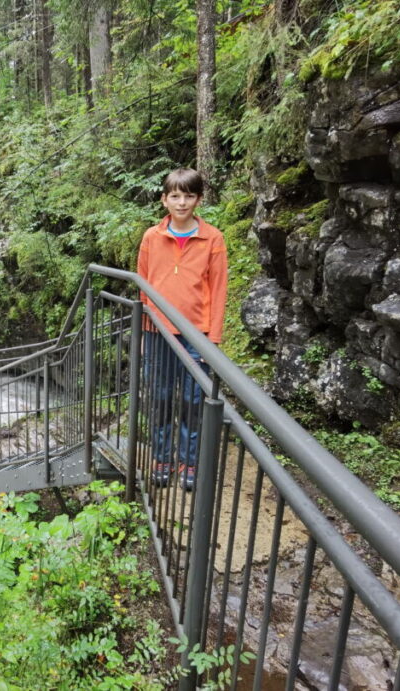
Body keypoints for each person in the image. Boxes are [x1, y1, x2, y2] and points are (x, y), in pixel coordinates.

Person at [136, 168, 228, 492]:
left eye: (189, 195)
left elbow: (218, 291)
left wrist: (213, 339)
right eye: (175, 195)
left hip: (196, 334)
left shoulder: (212, 238)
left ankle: (189, 461)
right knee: (160, 398)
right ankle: (162, 458)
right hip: (157, 331)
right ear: (164, 199)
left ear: (199, 199)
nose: (182, 202)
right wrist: (145, 331)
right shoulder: (151, 237)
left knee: (192, 400)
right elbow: (143, 286)